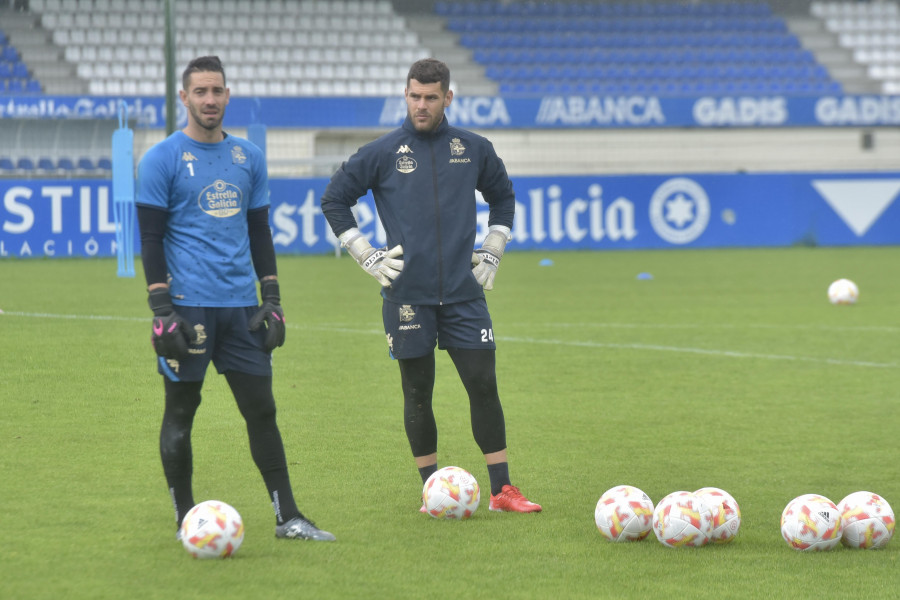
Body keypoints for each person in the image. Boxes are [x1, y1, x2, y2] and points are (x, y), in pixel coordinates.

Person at [320, 58, 541, 514]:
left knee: (483, 386)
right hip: (407, 296)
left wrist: (495, 245)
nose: (421, 105)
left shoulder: (473, 147)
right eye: (414, 96)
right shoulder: (381, 152)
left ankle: (503, 491)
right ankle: (431, 491)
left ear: (448, 98)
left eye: (431, 97)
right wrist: (364, 252)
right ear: (406, 95)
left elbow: (502, 195)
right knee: (417, 391)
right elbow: (334, 199)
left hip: (464, 292)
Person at [135, 56, 334, 542]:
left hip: (242, 309)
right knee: (181, 413)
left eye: (216, 91)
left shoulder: (248, 157)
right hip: (188, 308)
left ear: (227, 95)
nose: (209, 100)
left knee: (262, 411)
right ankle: (187, 520)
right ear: (184, 98)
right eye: (199, 91)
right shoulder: (161, 159)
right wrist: (161, 309)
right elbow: (151, 238)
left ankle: (288, 517)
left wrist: (273, 297)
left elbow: (259, 230)